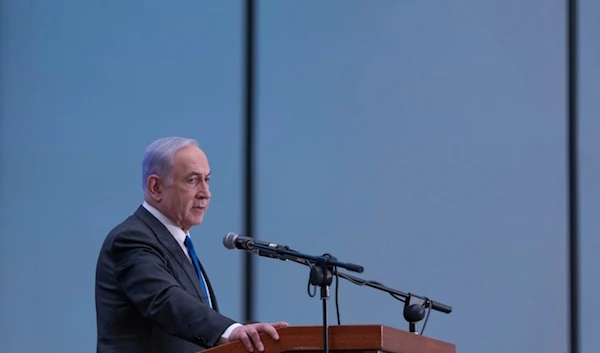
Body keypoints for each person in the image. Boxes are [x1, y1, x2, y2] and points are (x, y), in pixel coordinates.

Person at [95, 137, 288, 353]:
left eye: (207, 180)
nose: (206, 193)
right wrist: (229, 330)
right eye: (192, 181)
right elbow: (165, 300)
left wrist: (240, 334)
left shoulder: (178, 243)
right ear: (156, 187)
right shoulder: (131, 239)